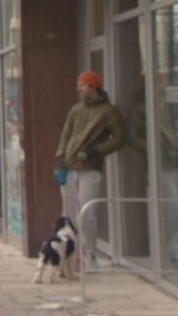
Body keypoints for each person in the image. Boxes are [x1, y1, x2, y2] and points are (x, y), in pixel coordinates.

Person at [54, 70, 125, 268]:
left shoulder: (108, 112)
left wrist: (97, 151)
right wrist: (60, 159)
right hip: (69, 168)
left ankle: (90, 255)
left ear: (94, 87)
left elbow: (119, 138)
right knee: (68, 215)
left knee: (87, 213)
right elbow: (65, 135)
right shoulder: (76, 110)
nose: (80, 88)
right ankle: (73, 254)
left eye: (83, 85)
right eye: (79, 85)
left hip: (90, 168)